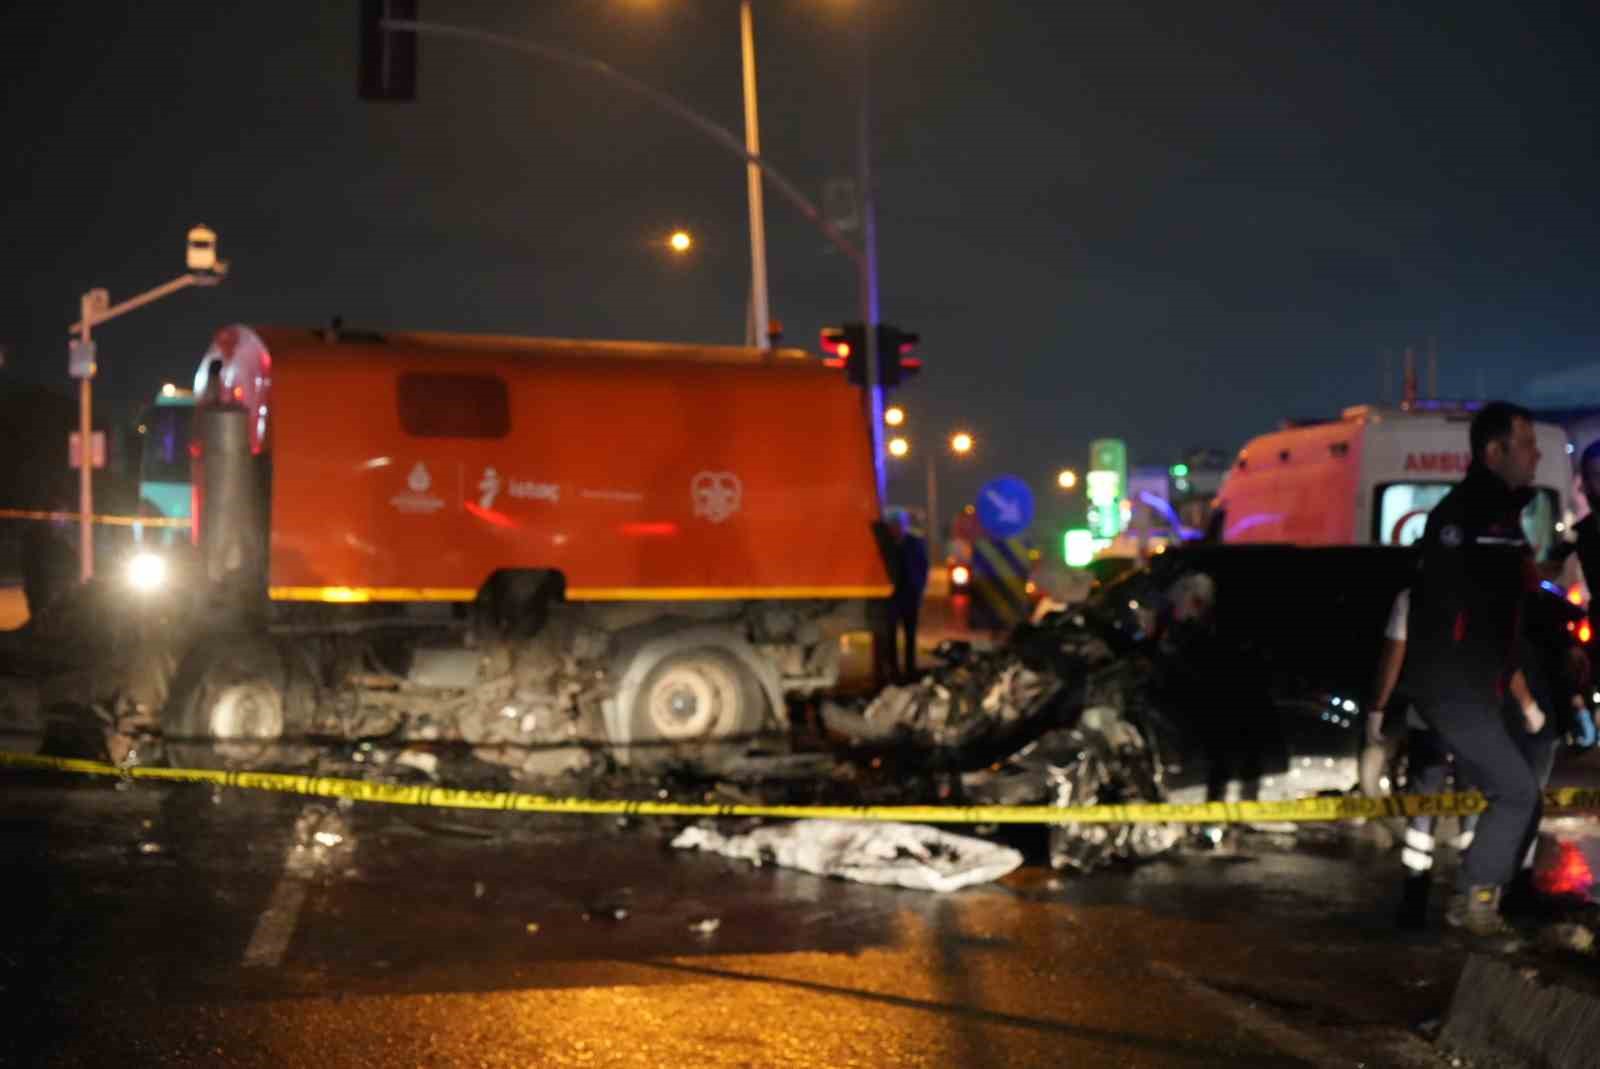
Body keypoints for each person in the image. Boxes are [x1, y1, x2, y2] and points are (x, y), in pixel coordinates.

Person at [1398, 401, 1544, 937]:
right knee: (1517, 792)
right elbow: (1463, 609)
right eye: (1526, 443)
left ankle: (1486, 899)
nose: (1537, 453)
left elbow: (1510, 613)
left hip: (1474, 688)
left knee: (1517, 790)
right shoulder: (1471, 518)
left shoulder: (1497, 516)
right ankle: (1474, 902)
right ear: (1494, 450)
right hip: (1456, 688)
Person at [886, 512, 929, 680]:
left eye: (899, 524)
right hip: (891, 597)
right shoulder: (886, 544)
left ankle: (910, 669)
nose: (896, 528)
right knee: (890, 636)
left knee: (910, 635)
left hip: (910, 595)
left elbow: (923, 566)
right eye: (893, 525)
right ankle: (893, 671)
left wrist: (919, 587)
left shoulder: (915, 542)